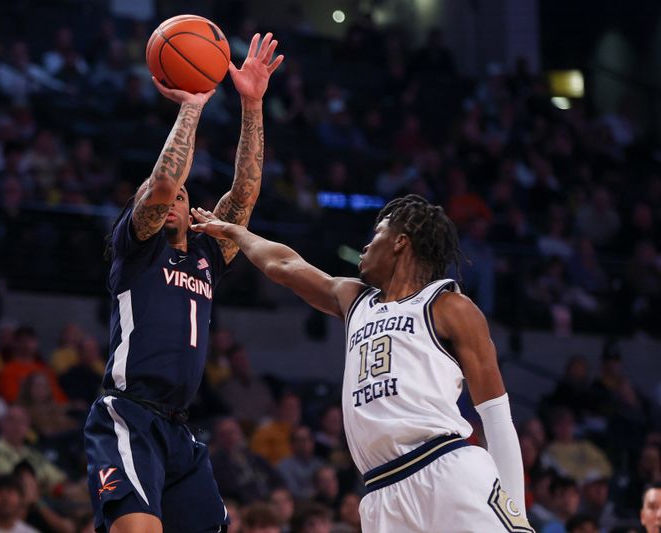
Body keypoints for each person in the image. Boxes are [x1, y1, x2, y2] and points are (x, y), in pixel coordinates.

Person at [190, 193, 532, 532]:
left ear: (400, 242)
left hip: (444, 467)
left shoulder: (448, 306)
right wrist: (235, 231)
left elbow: (496, 414)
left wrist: (516, 510)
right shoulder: (354, 299)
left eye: (376, 235)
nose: (365, 248)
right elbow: (285, 265)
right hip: (379, 491)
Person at [83, 32, 284, 533]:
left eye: (181, 197)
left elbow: (245, 191)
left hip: (179, 427)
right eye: (157, 198)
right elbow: (165, 182)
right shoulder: (137, 247)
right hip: (128, 413)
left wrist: (252, 103)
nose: (172, 198)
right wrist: (192, 105)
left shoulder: (207, 255)